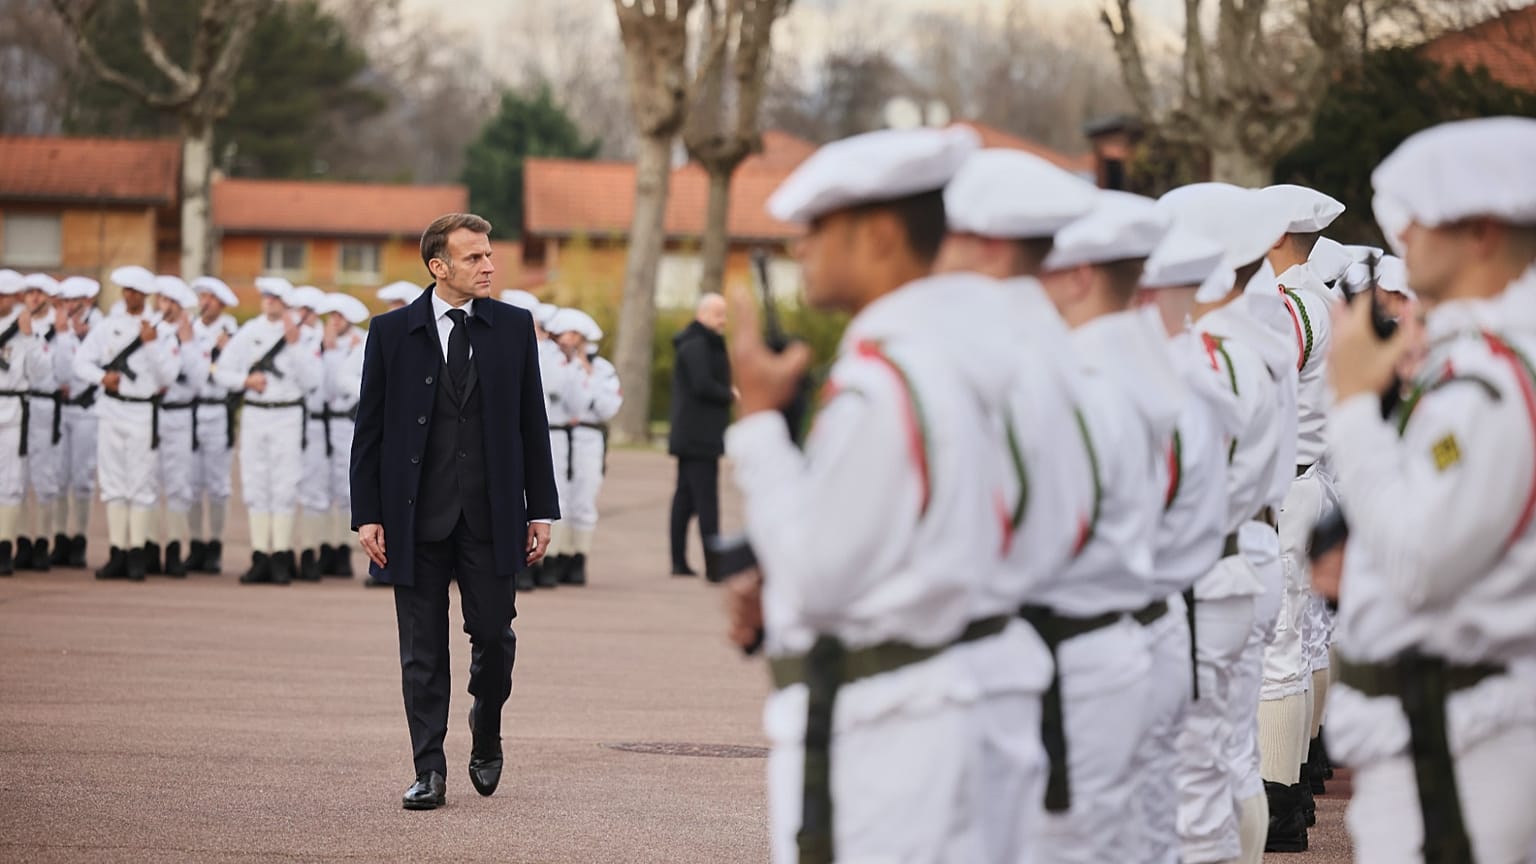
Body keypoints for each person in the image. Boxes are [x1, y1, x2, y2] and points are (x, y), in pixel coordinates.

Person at [723, 126, 1001, 864]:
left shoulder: (885, 382)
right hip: (934, 708)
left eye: (817, 228)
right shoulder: (950, 354)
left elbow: (816, 575)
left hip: (886, 736)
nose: (800, 249)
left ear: (879, 235)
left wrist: (755, 424)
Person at [1323, 116, 1536, 864]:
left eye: (1422, 216)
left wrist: (1351, 404)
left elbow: (1421, 559)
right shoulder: (1488, 361)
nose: (1402, 235)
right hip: (1451, 733)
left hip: (1459, 751)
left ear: (1481, 233)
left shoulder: (1483, 382)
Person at [350, 212, 559, 811]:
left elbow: (531, 424)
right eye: (474, 257)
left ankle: (486, 723)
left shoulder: (514, 327)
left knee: (493, 636)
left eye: (490, 254)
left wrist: (539, 508)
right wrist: (367, 512)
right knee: (421, 649)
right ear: (439, 267)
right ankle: (429, 769)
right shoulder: (391, 332)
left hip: (492, 516)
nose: (489, 264)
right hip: (412, 517)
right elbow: (370, 429)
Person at [935, 148, 1099, 864]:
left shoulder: (987, 354)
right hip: (1031, 638)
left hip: (978, 650)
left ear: (988, 244)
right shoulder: (1057, 345)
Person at [1158, 183, 1299, 864]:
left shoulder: (1214, 351)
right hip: (1252, 551)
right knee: (1230, 760)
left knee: (1193, 781)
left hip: (1213, 567)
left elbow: (1194, 484)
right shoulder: (1259, 337)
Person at [1258, 183, 1345, 848]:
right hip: (1306, 480)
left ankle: (1281, 805)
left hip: (1285, 485)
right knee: (1301, 634)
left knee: (1282, 644)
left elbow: (1261, 394)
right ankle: (1299, 778)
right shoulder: (1318, 296)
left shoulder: (1290, 306)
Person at [74, 266, 180, 582]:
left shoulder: (162, 331)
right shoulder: (109, 326)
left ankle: (137, 554)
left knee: (140, 483)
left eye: (134, 291)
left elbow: (168, 377)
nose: (128, 295)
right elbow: (82, 361)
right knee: (114, 482)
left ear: (145, 294)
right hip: (112, 410)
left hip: (142, 411)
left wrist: (150, 345)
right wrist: (101, 377)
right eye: (126, 290)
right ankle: (117, 551)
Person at [214, 277, 318, 585]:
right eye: (265, 296)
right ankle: (260, 554)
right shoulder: (250, 332)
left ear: (286, 303)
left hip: (287, 414)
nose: (268, 301)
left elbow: (312, 380)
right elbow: (222, 372)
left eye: (275, 297)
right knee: (256, 484)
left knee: (285, 485)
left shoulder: (303, 336)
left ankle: (282, 555)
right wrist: (245, 382)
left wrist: (295, 343)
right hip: (256, 415)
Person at [542, 308, 620, 587]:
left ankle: (576, 559)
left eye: (576, 335)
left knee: (584, 499)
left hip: (588, 436)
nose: (570, 341)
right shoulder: (550, 360)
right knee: (557, 498)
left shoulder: (603, 369)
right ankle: (551, 559)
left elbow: (606, 406)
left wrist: (586, 373)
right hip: (558, 434)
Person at [148, 276, 210, 577]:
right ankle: (145, 547)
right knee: (145, 481)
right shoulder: (150, 331)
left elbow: (199, 380)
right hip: (149, 412)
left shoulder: (193, 335)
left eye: (171, 301)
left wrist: (187, 344)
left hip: (180, 414)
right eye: (162, 300)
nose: (166, 306)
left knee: (177, 484)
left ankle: (173, 550)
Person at [667, 292, 732, 577]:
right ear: (702, 315)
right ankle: (714, 565)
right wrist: (730, 394)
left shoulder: (705, 343)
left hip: (698, 434)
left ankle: (679, 561)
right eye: (719, 314)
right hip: (697, 436)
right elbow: (702, 383)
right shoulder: (696, 345)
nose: (723, 321)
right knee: (705, 501)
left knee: (686, 498)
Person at [187, 276, 239, 574]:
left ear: (221, 303)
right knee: (192, 483)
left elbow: (224, 374)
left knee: (218, 485)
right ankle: (195, 544)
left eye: (210, 298)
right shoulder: (190, 330)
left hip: (219, 411)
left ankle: (215, 546)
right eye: (202, 297)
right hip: (192, 410)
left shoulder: (231, 332)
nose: (204, 303)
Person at [51, 276, 101, 568]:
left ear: (88, 302)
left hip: (85, 410)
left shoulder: (100, 327)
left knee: (82, 477)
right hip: (62, 409)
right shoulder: (59, 329)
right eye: (66, 301)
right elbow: (56, 373)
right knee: (59, 476)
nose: (69, 307)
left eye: (74, 301)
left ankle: (79, 539)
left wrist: (81, 337)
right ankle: (59, 538)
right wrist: (62, 336)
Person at [319, 293, 369, 578]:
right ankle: (328, 547)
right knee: (326, 488)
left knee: (348, 488)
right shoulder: (323, 343)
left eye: (338, 317)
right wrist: (326, 350)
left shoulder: (360, 342)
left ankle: (344, 553)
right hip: (325, 423)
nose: (333, 322)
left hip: (351, 421)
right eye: (331, 317)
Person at [0, 269, 45, 576]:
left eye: (4, 296)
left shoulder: (28, 328)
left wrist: (27, 338)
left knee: (12, 483)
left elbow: (41, 373)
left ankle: (4, 547)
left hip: (14, 409)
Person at [18, 273, 62, 571]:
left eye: (40, 293)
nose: (34, 298)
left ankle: (43, 540)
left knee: (43, 475)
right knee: (15, 476)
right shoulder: (15, 325)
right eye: (29, 293)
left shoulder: (59, 329)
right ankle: (20, 540)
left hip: (45, 404)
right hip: (17, 404)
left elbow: (56, 372)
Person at [290, 286, 331, 582]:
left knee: (315, 489)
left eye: (307, 309)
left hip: (319, 423)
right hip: (291, 419)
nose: (301, 314)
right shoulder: (291, 338)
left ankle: (310, 552)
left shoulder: (324, 341)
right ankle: (286, 548)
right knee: (287, 488)